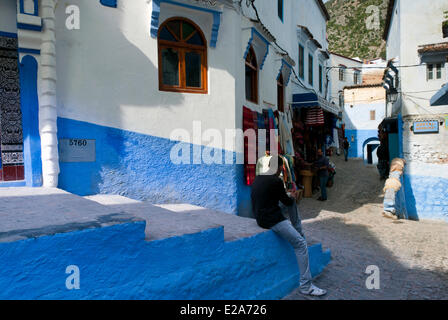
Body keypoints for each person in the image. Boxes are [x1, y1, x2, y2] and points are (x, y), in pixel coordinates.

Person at [251, 156, 327, 297]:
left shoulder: (258, 178)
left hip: (259, 217)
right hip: (271, 220)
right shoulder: (276, 181)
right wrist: (291, 196)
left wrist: (287, 196)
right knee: (301, 244)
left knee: (289, 199)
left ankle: (298, 229)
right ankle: (306, 286)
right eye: (281, 167)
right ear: (280, 167)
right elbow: (286, 201)